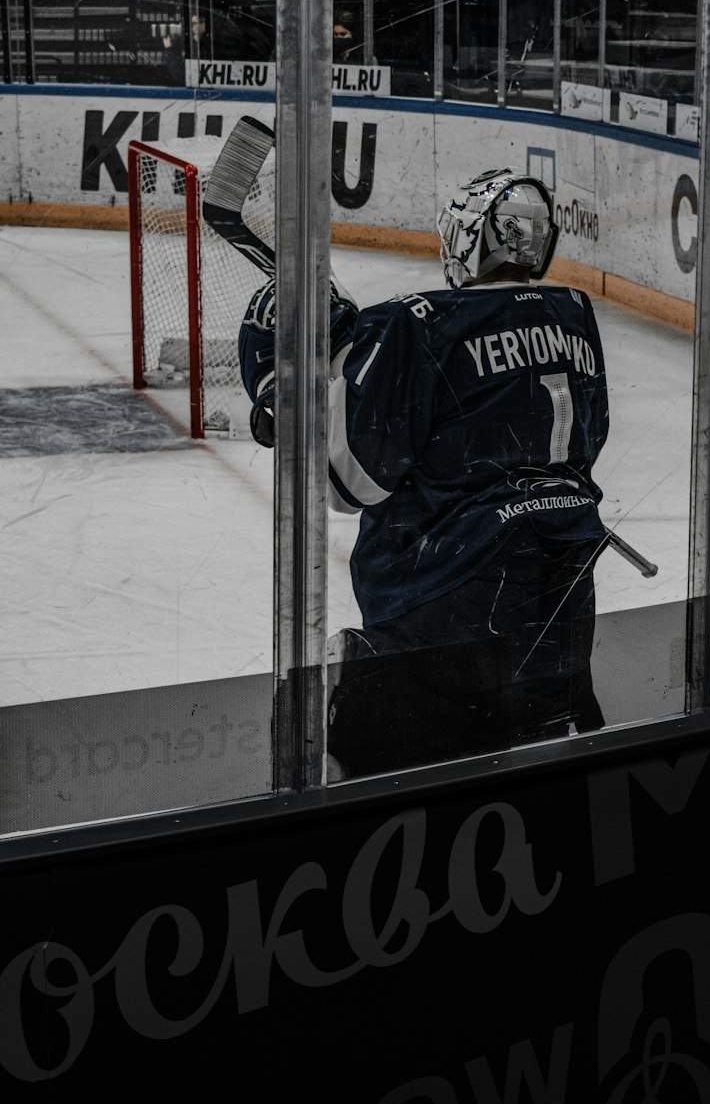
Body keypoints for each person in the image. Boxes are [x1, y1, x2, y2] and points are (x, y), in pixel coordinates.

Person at [238, 167, 611, 777]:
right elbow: (582, 441)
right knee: (542, 767)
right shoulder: (573, 313)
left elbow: (349, 481)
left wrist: (285, 389)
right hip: (564, 589)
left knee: (342, 737)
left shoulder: (414, 323)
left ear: (468, 241)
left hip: (448, 593)